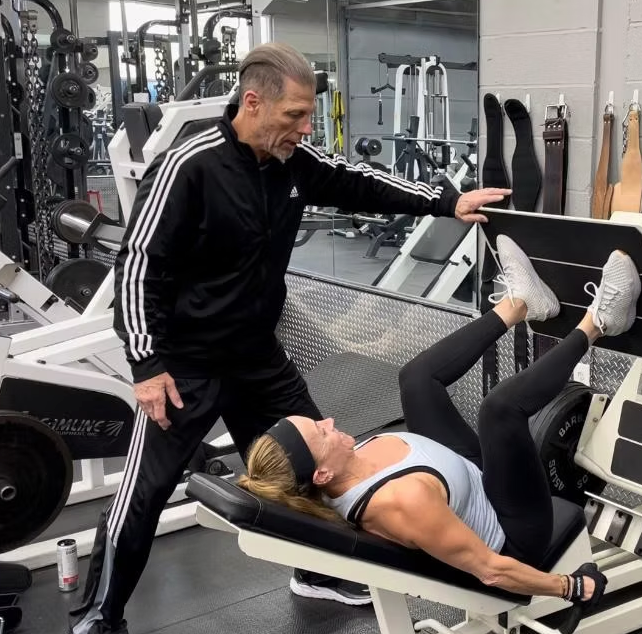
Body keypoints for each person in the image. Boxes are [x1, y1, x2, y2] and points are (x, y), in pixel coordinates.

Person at [68, 42, 510, 634]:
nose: (305, 129)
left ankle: (317, 572)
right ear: (252, 102)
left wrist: (449, 201)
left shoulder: (290, 160)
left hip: (256, 356)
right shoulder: (189, 165)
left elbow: (360, 183)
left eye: (307, 116)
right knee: (144, 492)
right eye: (294, 116)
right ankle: (102, 613)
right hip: (186, 365)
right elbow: (139, 264)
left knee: (320, 469)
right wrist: (146, 365)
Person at [238, 235, 642, 604]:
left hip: (464, 479)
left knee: (415, 379)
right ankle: (601, 322)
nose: (326, 421)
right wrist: (572, 586)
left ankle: (520, 304)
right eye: (320, 434)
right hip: (513, 532)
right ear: (322, 475)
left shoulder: (334, 471)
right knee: (499, 410)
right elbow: (492, 571)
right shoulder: (401, 502)